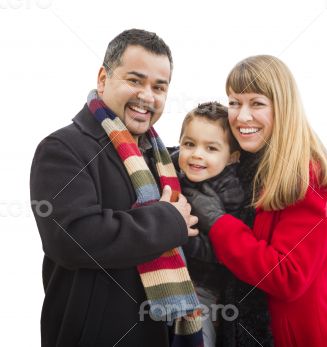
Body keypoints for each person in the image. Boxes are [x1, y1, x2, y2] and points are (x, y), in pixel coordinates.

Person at [30, 29, 203, 347]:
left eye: (159, 87)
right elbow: (73, 239)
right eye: (135, 81)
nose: (147, 97)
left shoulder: (163, 158)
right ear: (103, 78)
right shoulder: (62, 148)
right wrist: (168, 221)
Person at [183, 55, 327, 347]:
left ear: (282, 107)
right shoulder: (245, 165)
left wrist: (218, 222)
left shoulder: (311, 178)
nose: (241, 116)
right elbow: (198, 149)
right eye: (234, 102)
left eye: (256, 103)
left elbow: (287, 276)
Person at [174, 101, 243, 346]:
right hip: (170, 280)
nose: (197, 154)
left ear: (232, 157)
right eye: (189, 144)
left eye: (211, 148)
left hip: (204, 287)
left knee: (198, 337)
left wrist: (180, 238)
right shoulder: (171, 170)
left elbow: (222, 252)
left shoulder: (230, 191)